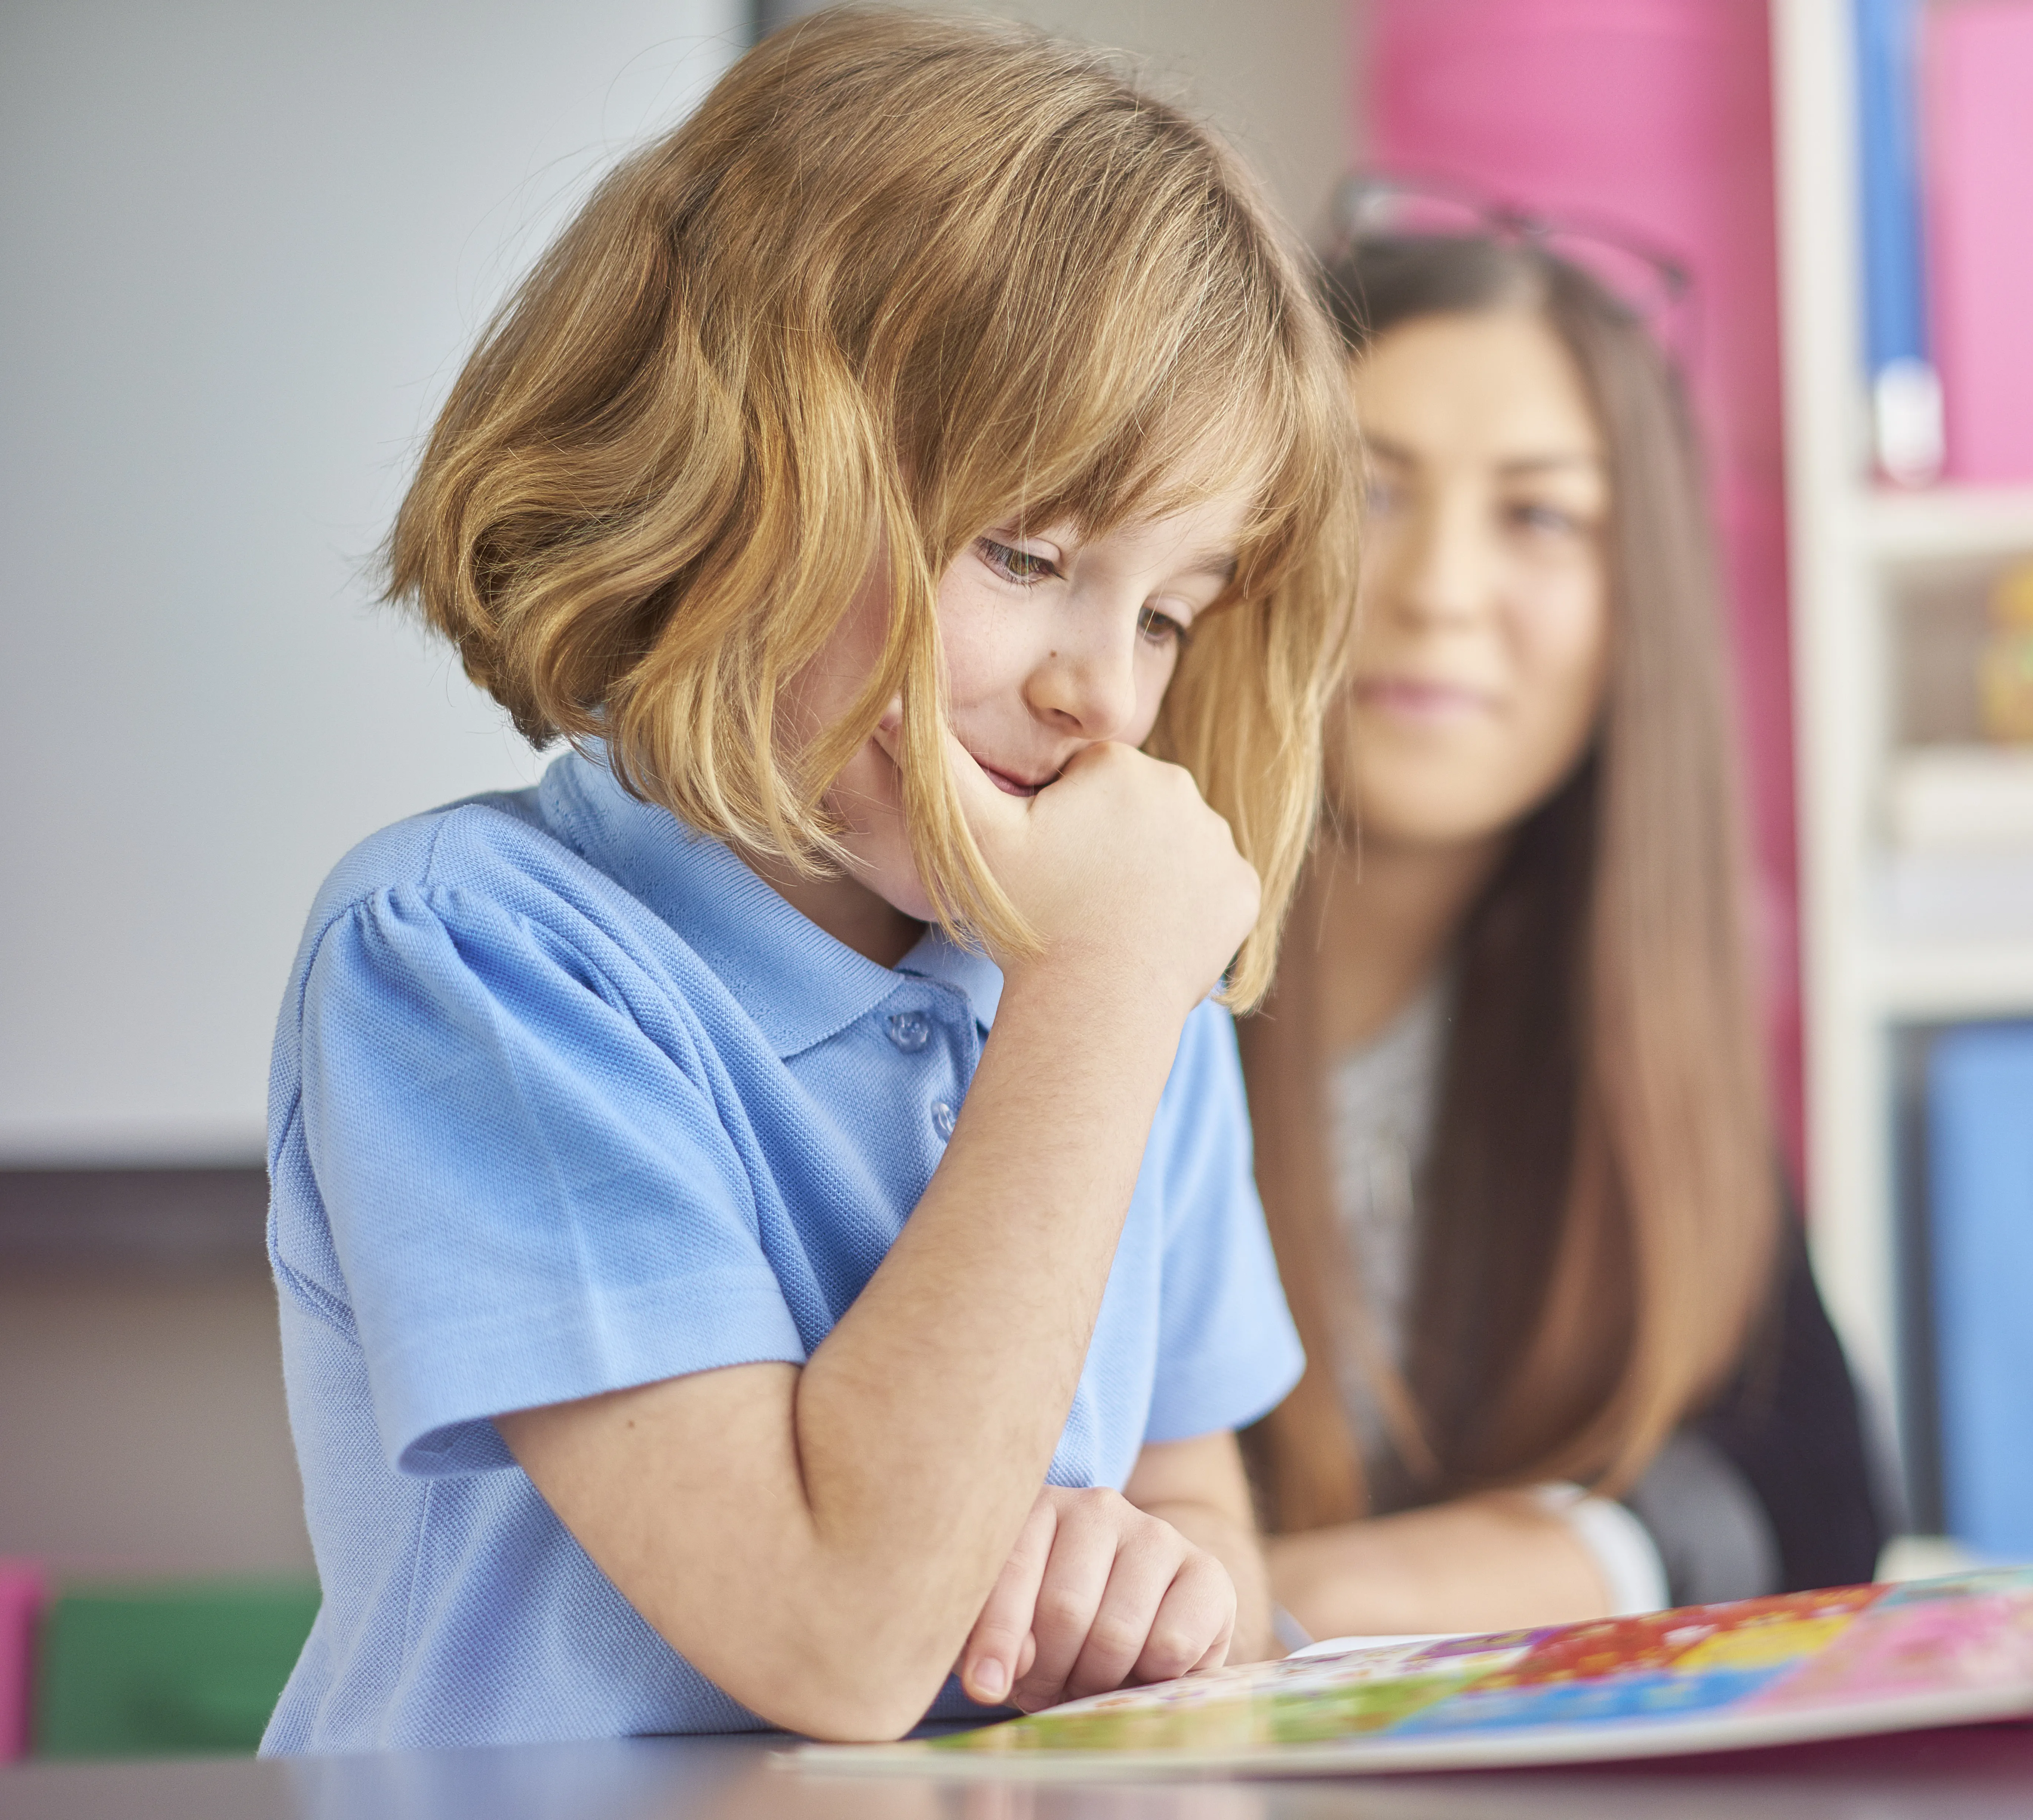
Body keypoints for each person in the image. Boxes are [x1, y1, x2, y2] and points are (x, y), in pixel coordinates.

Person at [260, 11, 1355, 1753]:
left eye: (1165, 611)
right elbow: (833, 1637)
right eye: (1027, 553)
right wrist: (1091, 1002)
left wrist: (1162, 1588)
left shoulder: (1105, 976)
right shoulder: (470, 956)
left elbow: (1199, 1505)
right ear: (730, 477)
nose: (1107, 693)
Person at [1243, 201, 1881, 1641]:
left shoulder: (1622, 1014)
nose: (1437, 595)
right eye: (1369, 491)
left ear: (1631, 603)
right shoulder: (1055, 969)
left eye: (1538, 516)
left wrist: (1534, 1560)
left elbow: (1823, 1506)